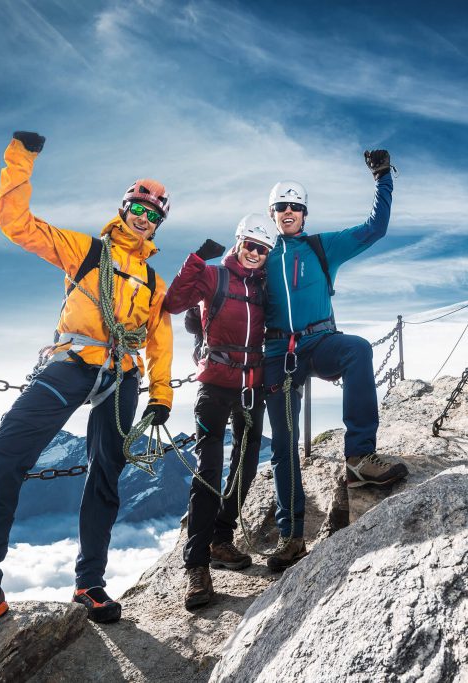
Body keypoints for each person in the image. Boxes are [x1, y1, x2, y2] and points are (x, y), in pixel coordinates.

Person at [0, 131, 174, 661]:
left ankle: (90, 584)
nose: (143, 218)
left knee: (105, 476)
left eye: (152, 214)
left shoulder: (154, 282)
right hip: (72, 363)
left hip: (122, 376)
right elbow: (16, 223)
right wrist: (21, 158)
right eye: (137, 208)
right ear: (124, 209)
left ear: (158, 224)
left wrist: (161, 395)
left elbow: (159, 339)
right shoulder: (85, 250)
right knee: (3, 456)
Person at [262, 150, 409, 572]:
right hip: (277, 354)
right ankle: (291, 537)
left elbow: (375, 229)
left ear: (304, 213)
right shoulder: (261, 255)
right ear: (272, 214)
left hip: (320, 342)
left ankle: (359, 458)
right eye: (281, 207)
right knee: (284, 444)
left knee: (357, 349)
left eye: (295, 206)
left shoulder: (321, 247)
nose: (288, 212)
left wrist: (382, 178)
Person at [163, 214, 275, 609]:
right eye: (251, 245)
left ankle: (221, 539)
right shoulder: (213, 276)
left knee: (246, 464)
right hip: (213, 384)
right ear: (238, 242)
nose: (255, 253)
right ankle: (196, 567)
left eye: (263, 249)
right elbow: (174, 302)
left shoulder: (264, 286)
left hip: (251, 387)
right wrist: (195, 260)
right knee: (208, 471)